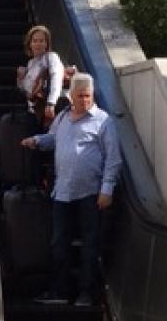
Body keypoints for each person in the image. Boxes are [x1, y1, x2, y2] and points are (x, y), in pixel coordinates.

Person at [21, 73, 122, 307]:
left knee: (90, 243)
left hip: (90, 192)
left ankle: (86, 293)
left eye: (88, 96)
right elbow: (53, 140)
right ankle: (59, 290)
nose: (85, 100)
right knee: (59, 242)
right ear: (71, 97)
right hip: (63, 191)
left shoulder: (103, 121)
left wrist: (107, 189)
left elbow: (113, 159)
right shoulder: (63, 117)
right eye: (80, 96)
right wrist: (36, 141)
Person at [16, 25, 67, 128]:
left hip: (49, 110)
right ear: (30, 44)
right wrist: (20, 79)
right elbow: (27, 92)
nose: (38, 44)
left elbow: (56, 79)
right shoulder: (30, 64)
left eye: (41, 41)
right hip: (34, 112)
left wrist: (51, 103)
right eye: (35, 41)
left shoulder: (51, 57)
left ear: (46, 43)